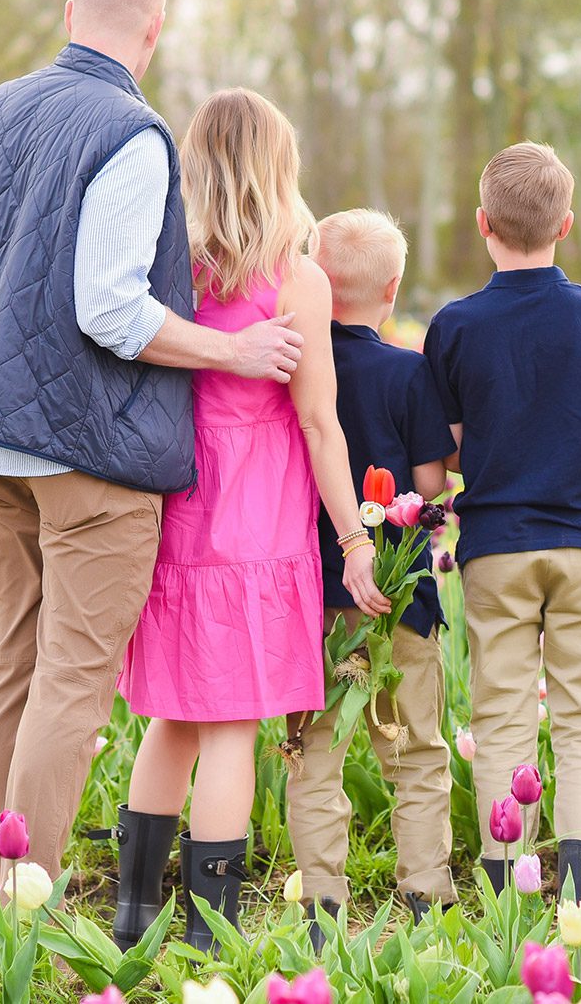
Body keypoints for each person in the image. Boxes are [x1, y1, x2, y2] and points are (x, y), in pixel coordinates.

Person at [0, 0, 304, 909]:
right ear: (154, 28)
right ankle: (28, 901)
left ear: (67, 14)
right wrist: (230, 351)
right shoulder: (128, 134)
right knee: (70, 683)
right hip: (84, 452)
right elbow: (109, 309)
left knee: (8, 665)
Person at [112, 89, 391, 953]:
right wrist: (352, 536)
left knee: (176, 715)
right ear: (279, 165)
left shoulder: (169, 267)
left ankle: (132, 916)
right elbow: (318, 422)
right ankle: (209, 932)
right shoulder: (295, 279)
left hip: (179, 503)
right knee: (231, 722)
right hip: (257, 515)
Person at [422, 142, 581, 938]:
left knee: (502, 714)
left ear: (484, 225)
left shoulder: (453, 325)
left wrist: (495, 453)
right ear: (565, 223)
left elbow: (451, 449)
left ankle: (505, 889)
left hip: (495, 544)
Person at [286, 209, 458, 937]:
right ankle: (425, 894)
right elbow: (427, 486)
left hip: (313, 590)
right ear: (392, 288)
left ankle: (322, 902)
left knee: (314, 748)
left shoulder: (289, 362)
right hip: (400, 591)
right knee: (415, 743)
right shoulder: (408, 371)